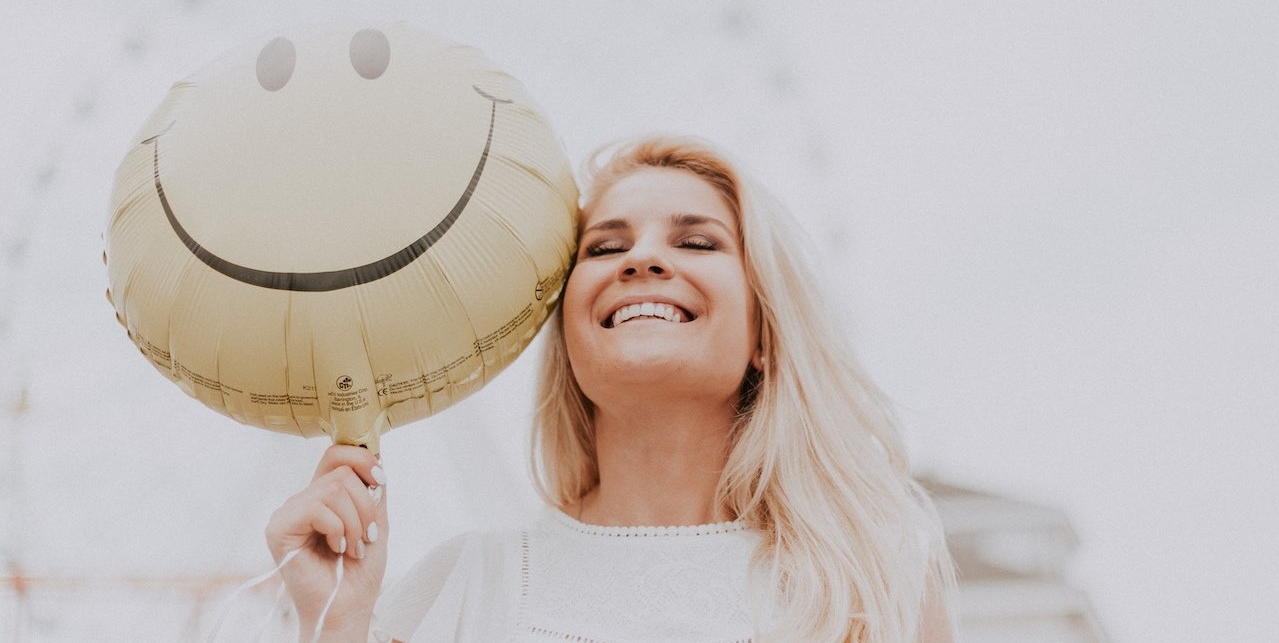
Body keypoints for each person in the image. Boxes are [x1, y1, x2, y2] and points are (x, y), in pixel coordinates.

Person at [266, 136, 957, 643]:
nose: (642, 259)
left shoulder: (872, 585)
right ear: (567, 336)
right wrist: (334, 621)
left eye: (697, 243)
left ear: (764, 336)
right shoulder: (463, 589)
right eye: (603, 248)